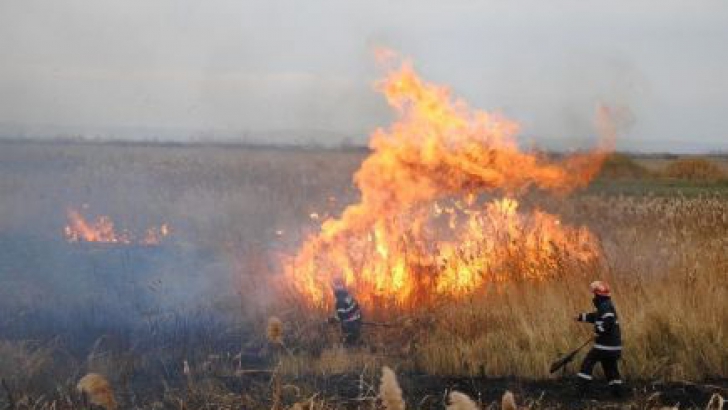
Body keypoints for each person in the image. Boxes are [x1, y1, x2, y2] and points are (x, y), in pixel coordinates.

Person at [575, 280, 624, 397]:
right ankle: (617, 392)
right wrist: (581, 317)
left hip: (605, 346)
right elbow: (596, 316)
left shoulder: (605, 307)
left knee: (588, 362)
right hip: (614, 347)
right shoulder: (606, 305)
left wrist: (599, 331)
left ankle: (581, 391)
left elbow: (608, 320)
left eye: (594, 294)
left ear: (598, 295)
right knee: (610, 368)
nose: (593, 297)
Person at [329, 279, 363, 347]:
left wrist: (332, 320)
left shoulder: (340, 301)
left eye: (333, 287)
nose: (333, 290)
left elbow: (342, 317)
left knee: (348, 347)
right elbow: (354, 309)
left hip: (350, 327)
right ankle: (356, 343)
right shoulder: (348, 296)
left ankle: (350, 343)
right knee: (354, 343)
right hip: (357, 323)